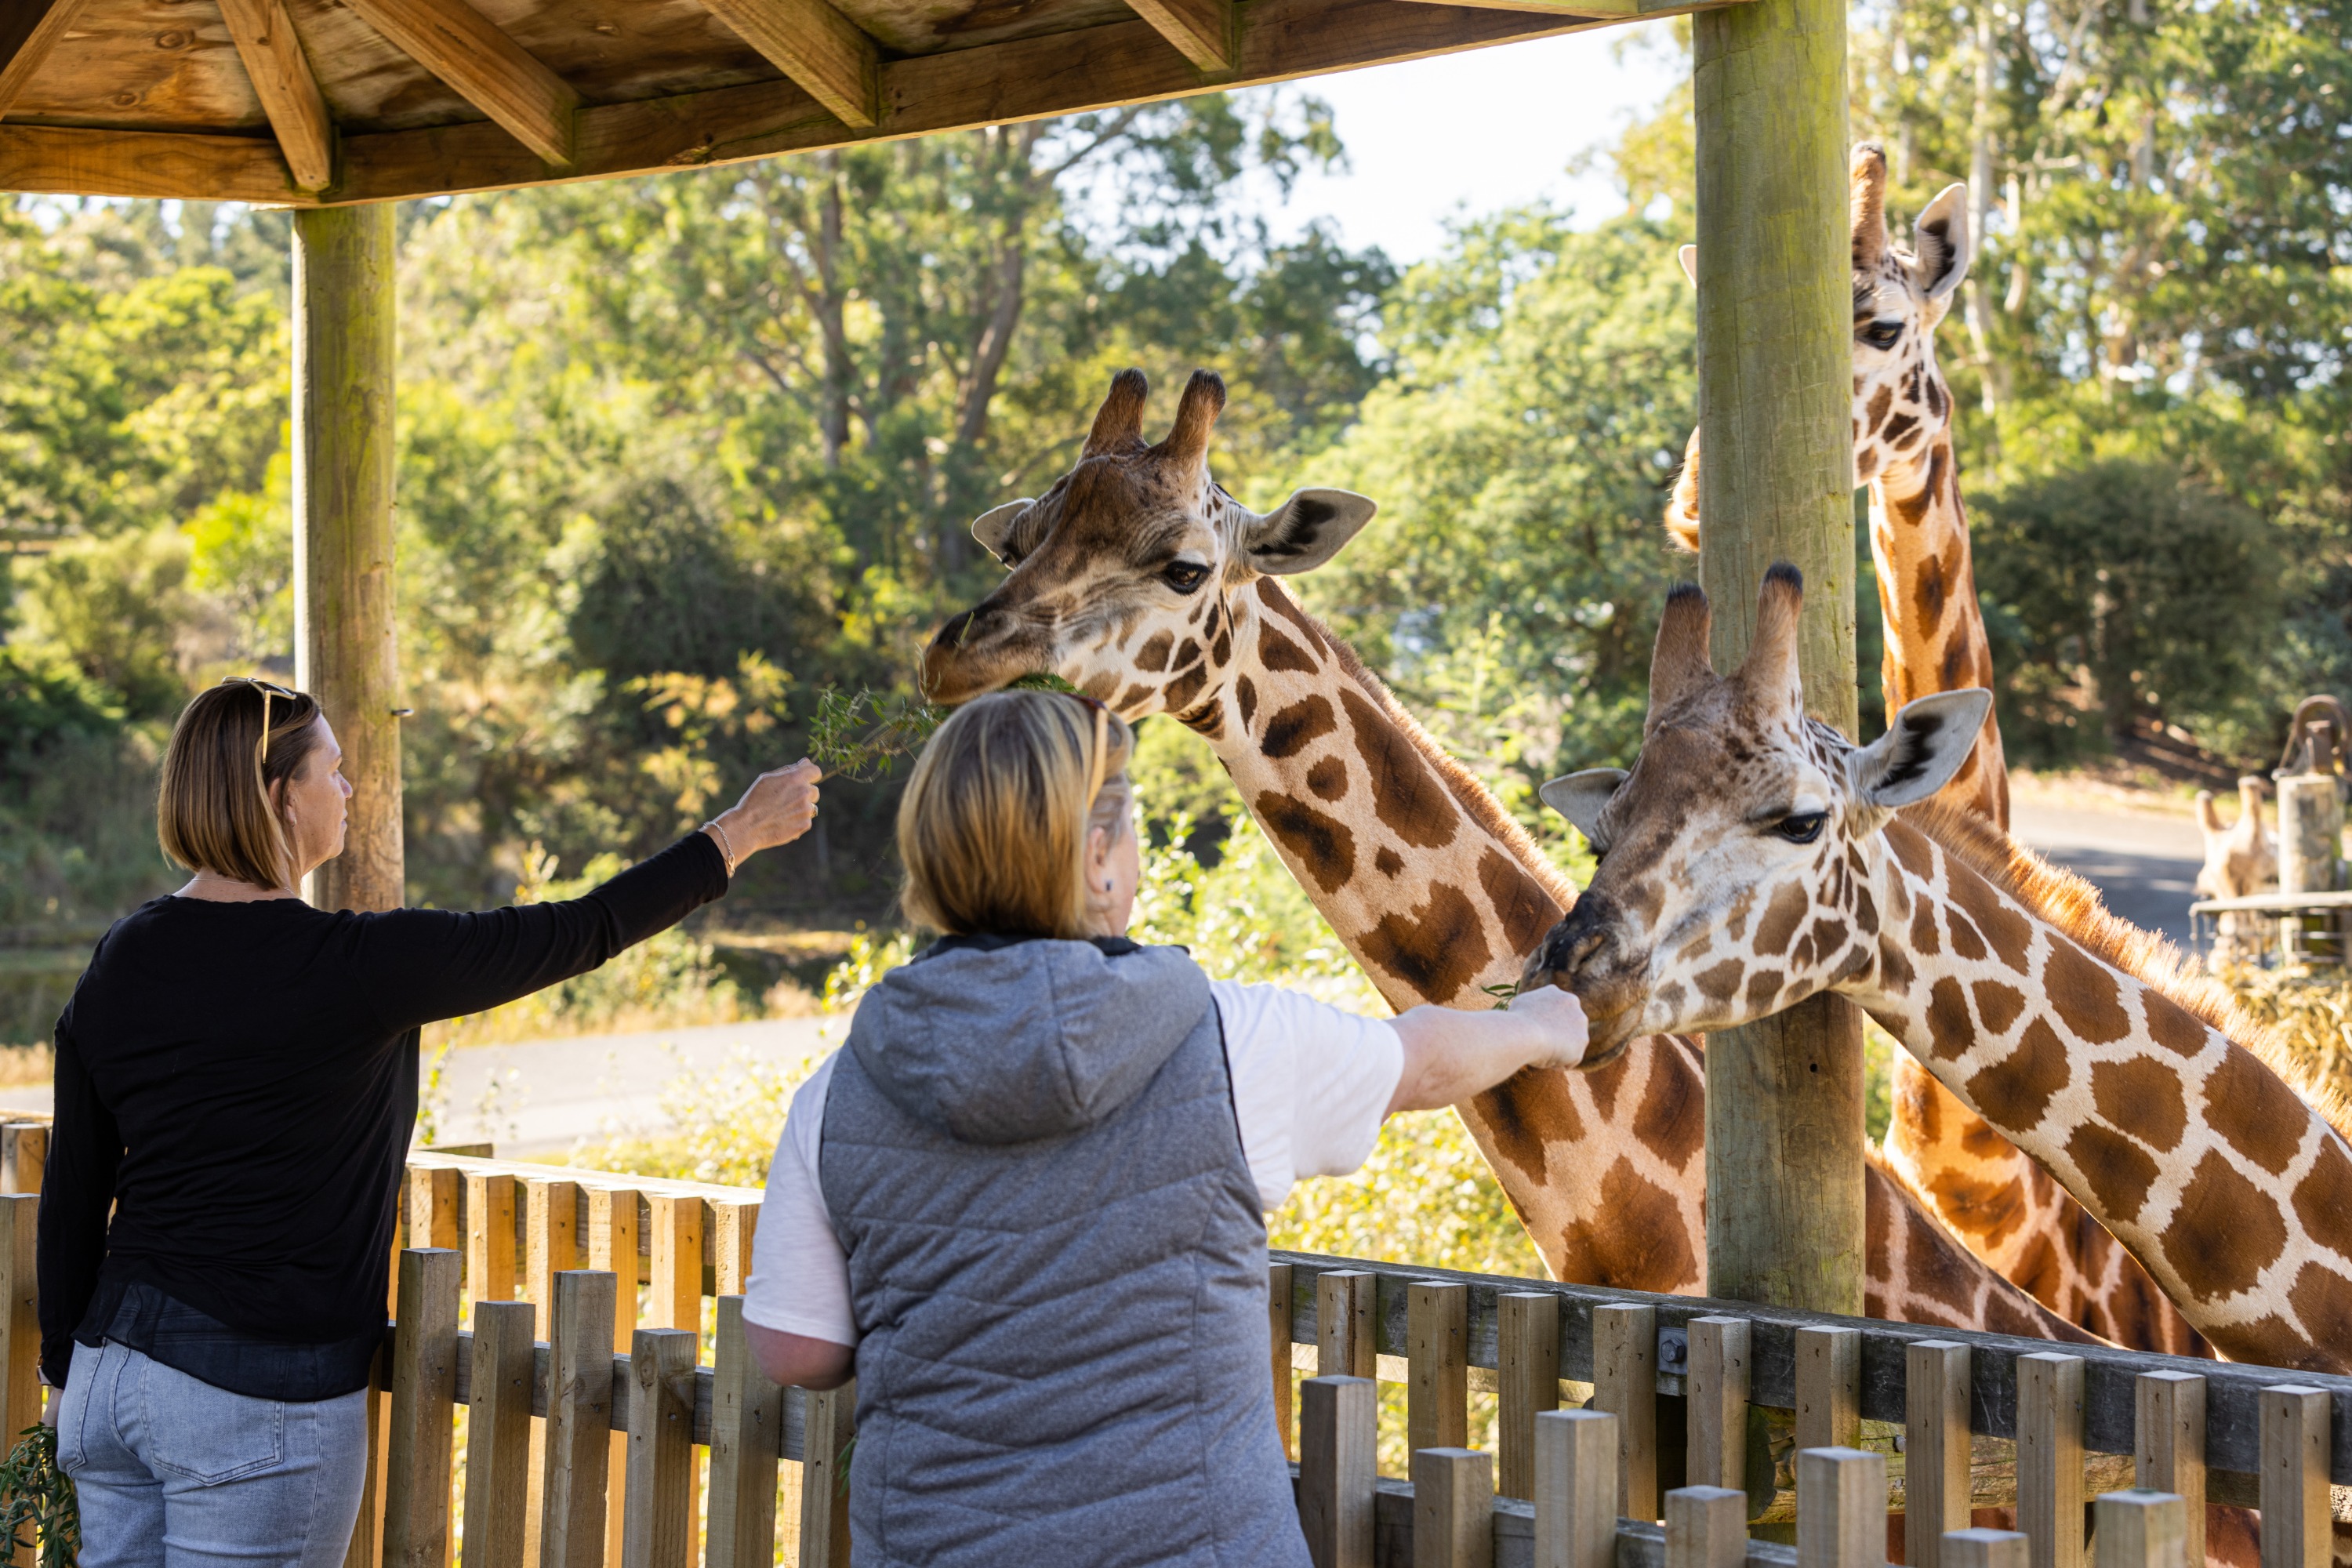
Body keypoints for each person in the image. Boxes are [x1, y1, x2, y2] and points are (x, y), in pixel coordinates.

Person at [741, 690, 1587, 1567]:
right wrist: (1543, 1026)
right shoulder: (1233, 1042)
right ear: (1099, 857)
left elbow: (796, 1346)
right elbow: (1420, 1060)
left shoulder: (840, 1091)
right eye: (1132, 833)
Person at [41, 677, 819, 1568]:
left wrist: (62, 1372)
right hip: (251, 1401)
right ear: (280, 795)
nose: (348, 791)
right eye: (333, 771)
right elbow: (583, 928)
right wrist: (737, 833)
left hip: (110, 1380)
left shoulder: (122, 957)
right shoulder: (360, 964)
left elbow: (75, 1188)